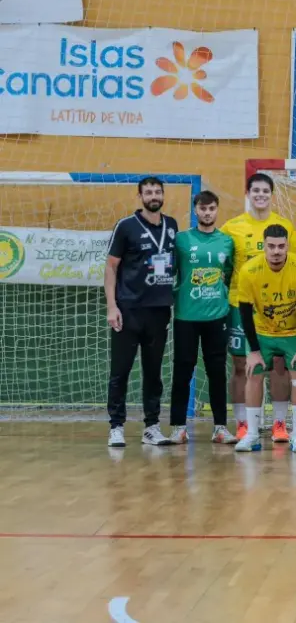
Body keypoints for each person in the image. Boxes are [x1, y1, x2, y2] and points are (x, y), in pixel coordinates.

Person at [104, 176, 180, 447]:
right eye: (148, 192)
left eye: (158, 191)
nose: (153, 196)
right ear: (140, 196)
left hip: (159, 311)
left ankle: (151, 427)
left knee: (153, 372)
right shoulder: (125, 226)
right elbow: (111, 267)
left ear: (163, 195)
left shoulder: (172, 225)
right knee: (120, 371)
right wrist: (112, 306)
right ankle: (116, 426)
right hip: (128, 310)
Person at [220, 173, 295, 442]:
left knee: (278, 365)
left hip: (277, 307)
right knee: (242, 365)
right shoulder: (231, 228)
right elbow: (224, 267)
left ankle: (279, 424)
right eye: (256, 191)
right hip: (240, 306)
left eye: (265, 191)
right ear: (248, 194)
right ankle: (243, 424)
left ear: (271, 195)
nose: (260, 195)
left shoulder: (285, 226)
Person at [233, 225, 296, 453]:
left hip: (293, 333)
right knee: (253, 373)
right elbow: (245, 311)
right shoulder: (249, 270)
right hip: (262, 332)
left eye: (281, 246)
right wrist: (254, 351)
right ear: (264, 246)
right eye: (271, 246)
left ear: (287, 245)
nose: (276, 251)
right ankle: (252, 434)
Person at [168, 190, 237, 445]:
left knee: (217, 372)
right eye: (202, 208)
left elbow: (228, 274)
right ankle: (178, 427)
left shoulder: (227, 242)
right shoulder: (181, 240)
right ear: (195, 210)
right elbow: (171, 272)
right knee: (182, 370)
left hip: (217, 315)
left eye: (211, 208)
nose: (207, 213)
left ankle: (220, 427)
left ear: (217, 210)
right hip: (186, 315)